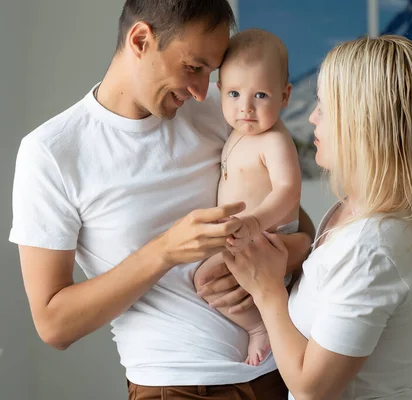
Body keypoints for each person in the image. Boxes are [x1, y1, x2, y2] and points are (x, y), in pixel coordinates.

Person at [9, 1, 313, 399]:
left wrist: (280, 259)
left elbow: (301, 229)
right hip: (175, 387)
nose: (202, 90)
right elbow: (54, 324)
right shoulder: (51, 153)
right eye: (193, 67)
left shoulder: (223, 113)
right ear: (140, 40)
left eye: (211, 72)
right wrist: (165, 251)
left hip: (280, 373)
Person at [223, 35, 412, 400]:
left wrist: (267, 291)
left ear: (365, 123)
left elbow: (310, 388)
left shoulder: (372, 248)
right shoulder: (355, 211)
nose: (312, 116)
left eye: (324, 105)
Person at [193, 28, 301, 367]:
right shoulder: (235, 133)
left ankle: (259, 327)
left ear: (285, 96)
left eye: (261, 96)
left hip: (268, 235)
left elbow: (288, 190)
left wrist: (255, 222)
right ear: (220, 91)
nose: (246, 108)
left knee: (205, 278)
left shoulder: (275, 141)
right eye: (236, 94)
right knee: (208, 278)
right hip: (244, 234)